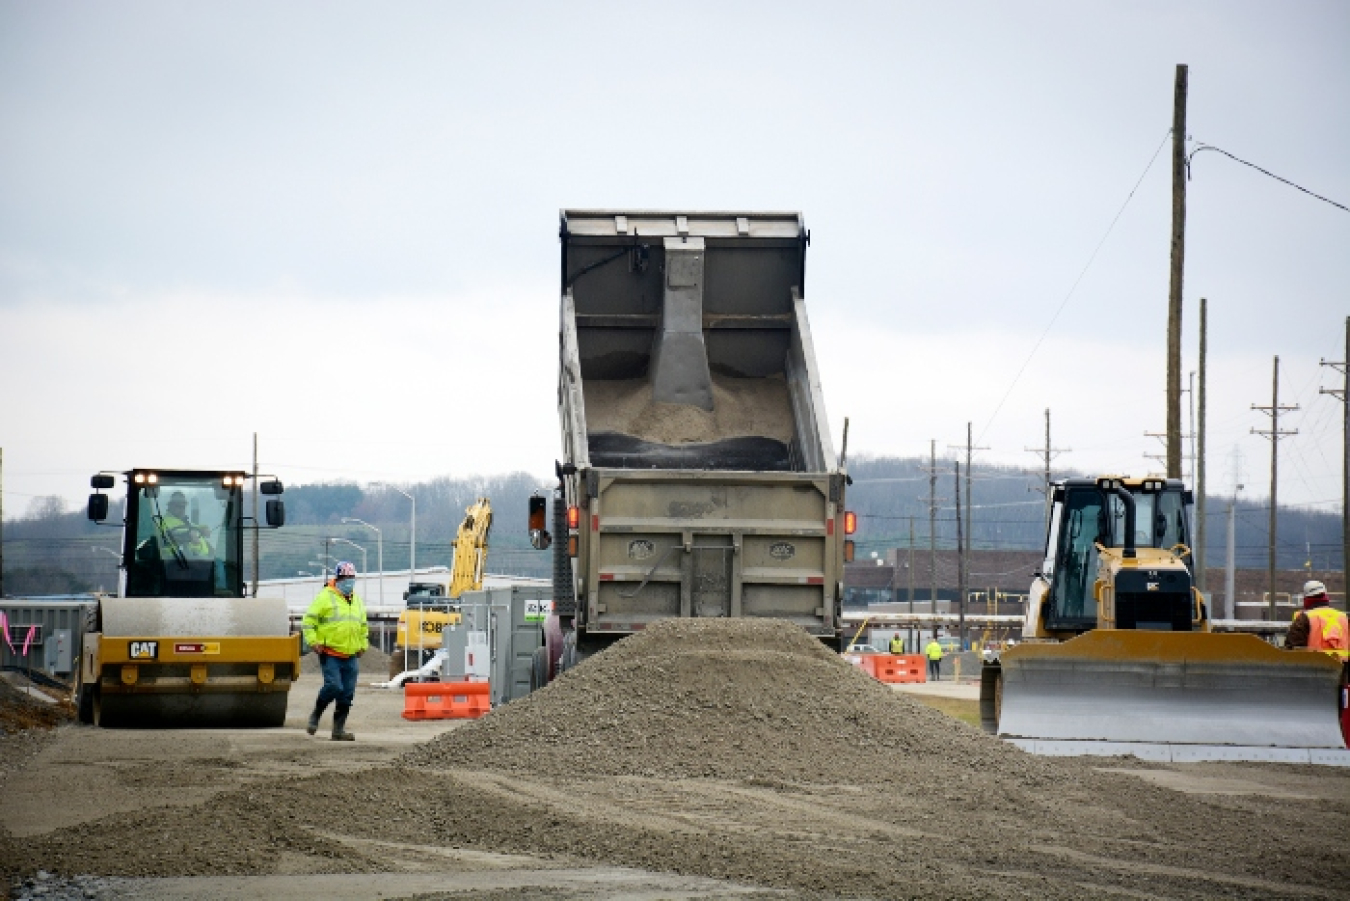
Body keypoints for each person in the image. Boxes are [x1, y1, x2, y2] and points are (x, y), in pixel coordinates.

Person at [301, 561, 369, 741]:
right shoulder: (325, 597)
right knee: (334, 686)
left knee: (347, 693)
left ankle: (338, 730)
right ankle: (316, 714)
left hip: (351, 655)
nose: (350, 581)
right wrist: (313, 641)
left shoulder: (357, 600)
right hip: (330, 653)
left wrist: (363, 645)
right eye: (347, 578)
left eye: (352, 578)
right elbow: (308, 622)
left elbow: (363, 626)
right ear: (338, 579)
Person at [1283, 580, 1348, 658]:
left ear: (1306, 599)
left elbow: (1292, 650)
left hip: (1314, 668)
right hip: (1344, 668)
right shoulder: (1344, 618)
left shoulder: (1305, 618)